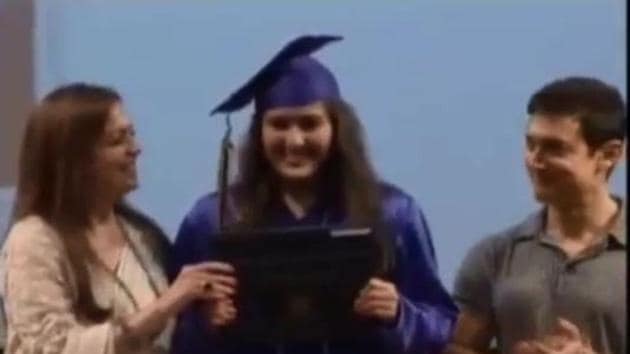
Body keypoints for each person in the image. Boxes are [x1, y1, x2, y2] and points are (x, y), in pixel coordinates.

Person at [170, 34, 458, 354]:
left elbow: (442, 323)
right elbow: (171, 329)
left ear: (336, 129)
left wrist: (399, 313)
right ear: (258, 132)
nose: (295, 141)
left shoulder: (393, 213)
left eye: (310, 124)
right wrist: (204, 324)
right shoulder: (213, 219)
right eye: (279, 124)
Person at [0, 83, 232, 354]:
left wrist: (204, 316)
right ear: (76, 159)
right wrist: (168, 304)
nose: (136, 149)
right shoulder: (34, 241)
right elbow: (49, 348)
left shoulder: (142, 234)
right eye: (118, 140)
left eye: (132, 135)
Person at [447, 77, 626, 354]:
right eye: (531, 144)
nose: (535, 160)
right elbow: (457, 345)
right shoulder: (494, 255)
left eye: (554, 148)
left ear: (609, 155)